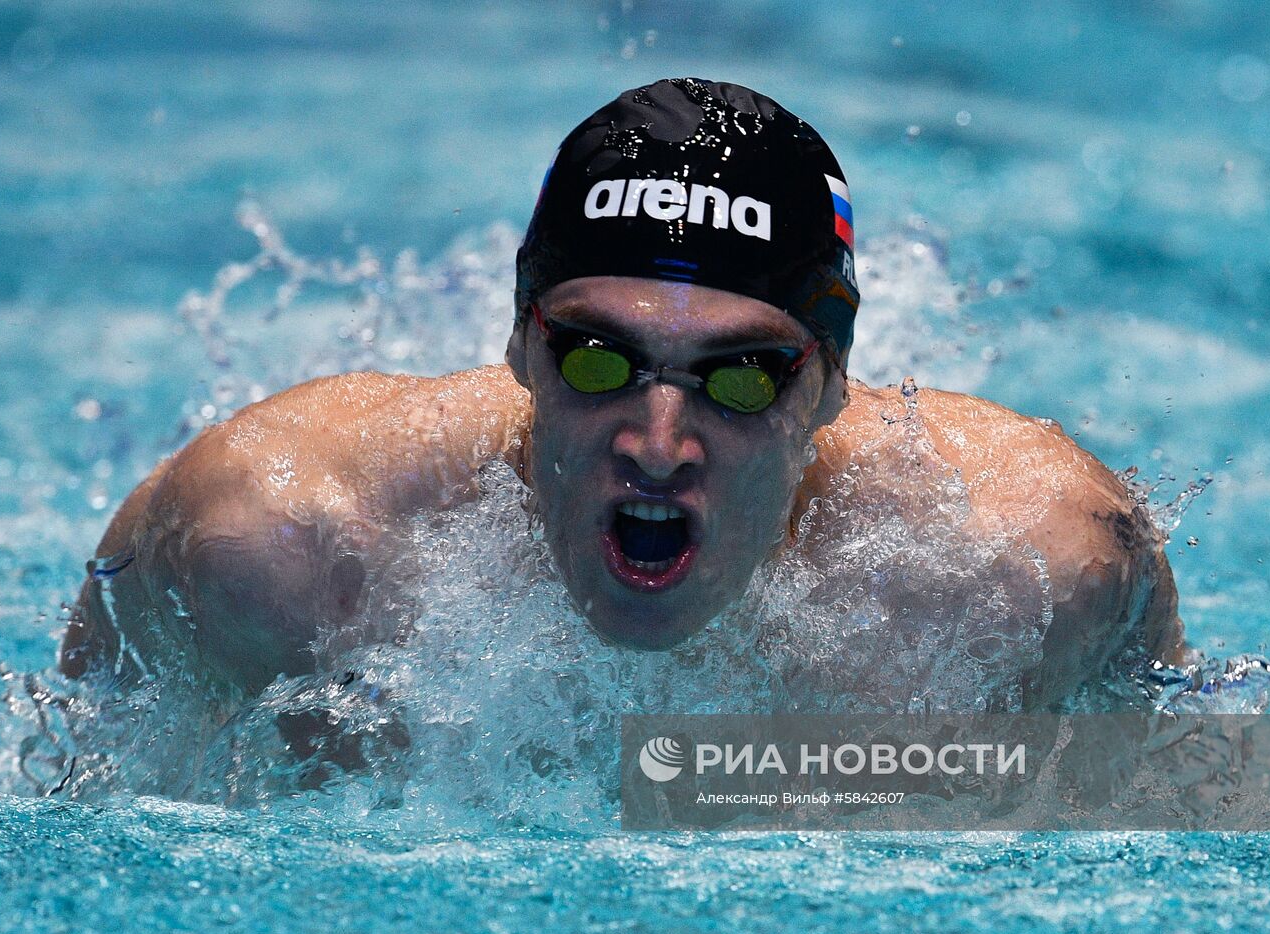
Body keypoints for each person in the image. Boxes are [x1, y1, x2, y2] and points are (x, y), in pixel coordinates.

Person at [58, 78, 1184, 710]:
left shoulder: (1022, 572)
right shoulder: (278, 546)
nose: (656, 443)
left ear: (832, 386)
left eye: (740, 377)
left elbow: (1195, 813)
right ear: (517, 345)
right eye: (597, 360)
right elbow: (69, 796)